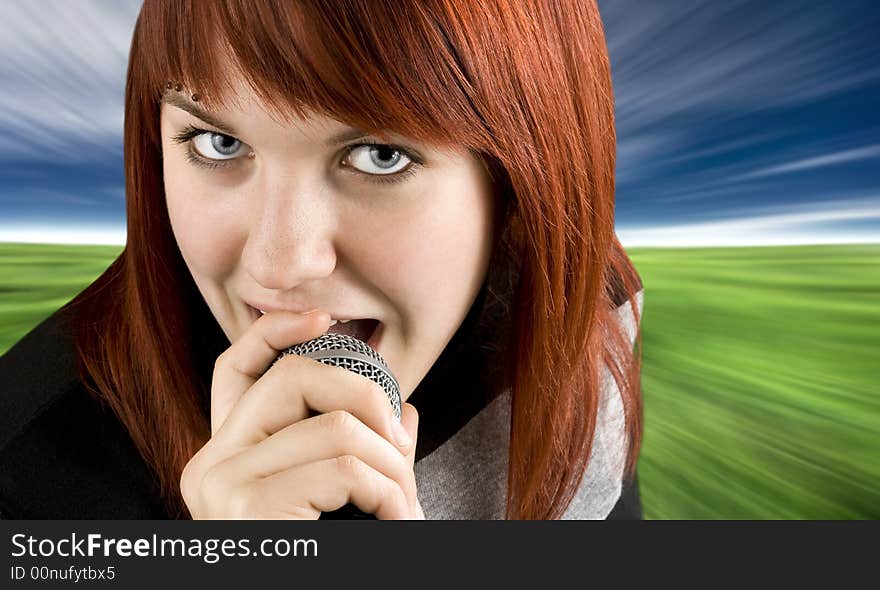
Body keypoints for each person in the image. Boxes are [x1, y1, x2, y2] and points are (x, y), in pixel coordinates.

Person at [0, 0, 644, 520]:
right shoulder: (30, 478)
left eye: (378, 155)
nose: (279, 266)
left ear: (520, 179)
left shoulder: (587, 321)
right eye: (218, 142)